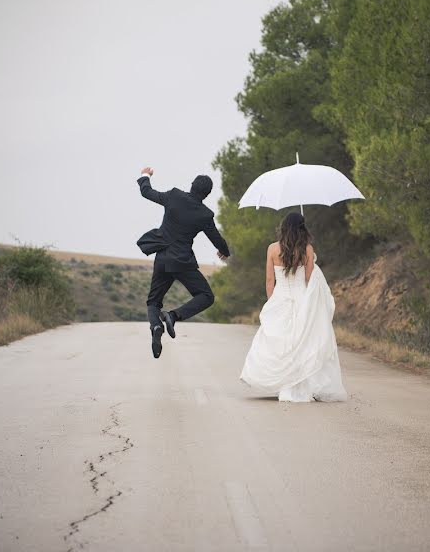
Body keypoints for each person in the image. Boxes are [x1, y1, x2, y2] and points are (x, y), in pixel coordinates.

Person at [239, 212, 347, 402]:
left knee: (281, 342)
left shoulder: (272, 249)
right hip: (301, 297)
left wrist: (272, 302)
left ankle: (283, 381)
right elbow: (308, 280)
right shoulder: (307, 250)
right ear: (302, 228)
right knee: (302, 341)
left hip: (280, 298)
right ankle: (300, 380)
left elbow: (269, 280)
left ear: (283, 227)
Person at [136, 167, 230, 359]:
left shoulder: (174, 196)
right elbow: (217, 239)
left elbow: (146, 192)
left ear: (192, 185)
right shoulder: (205, 214)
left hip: (162, 257)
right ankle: (173, 315)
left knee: (153, 301)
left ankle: (155, 326)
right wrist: (224, 251)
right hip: (182, 262)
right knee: (206, 296)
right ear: (207, 194)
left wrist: (146, 175)